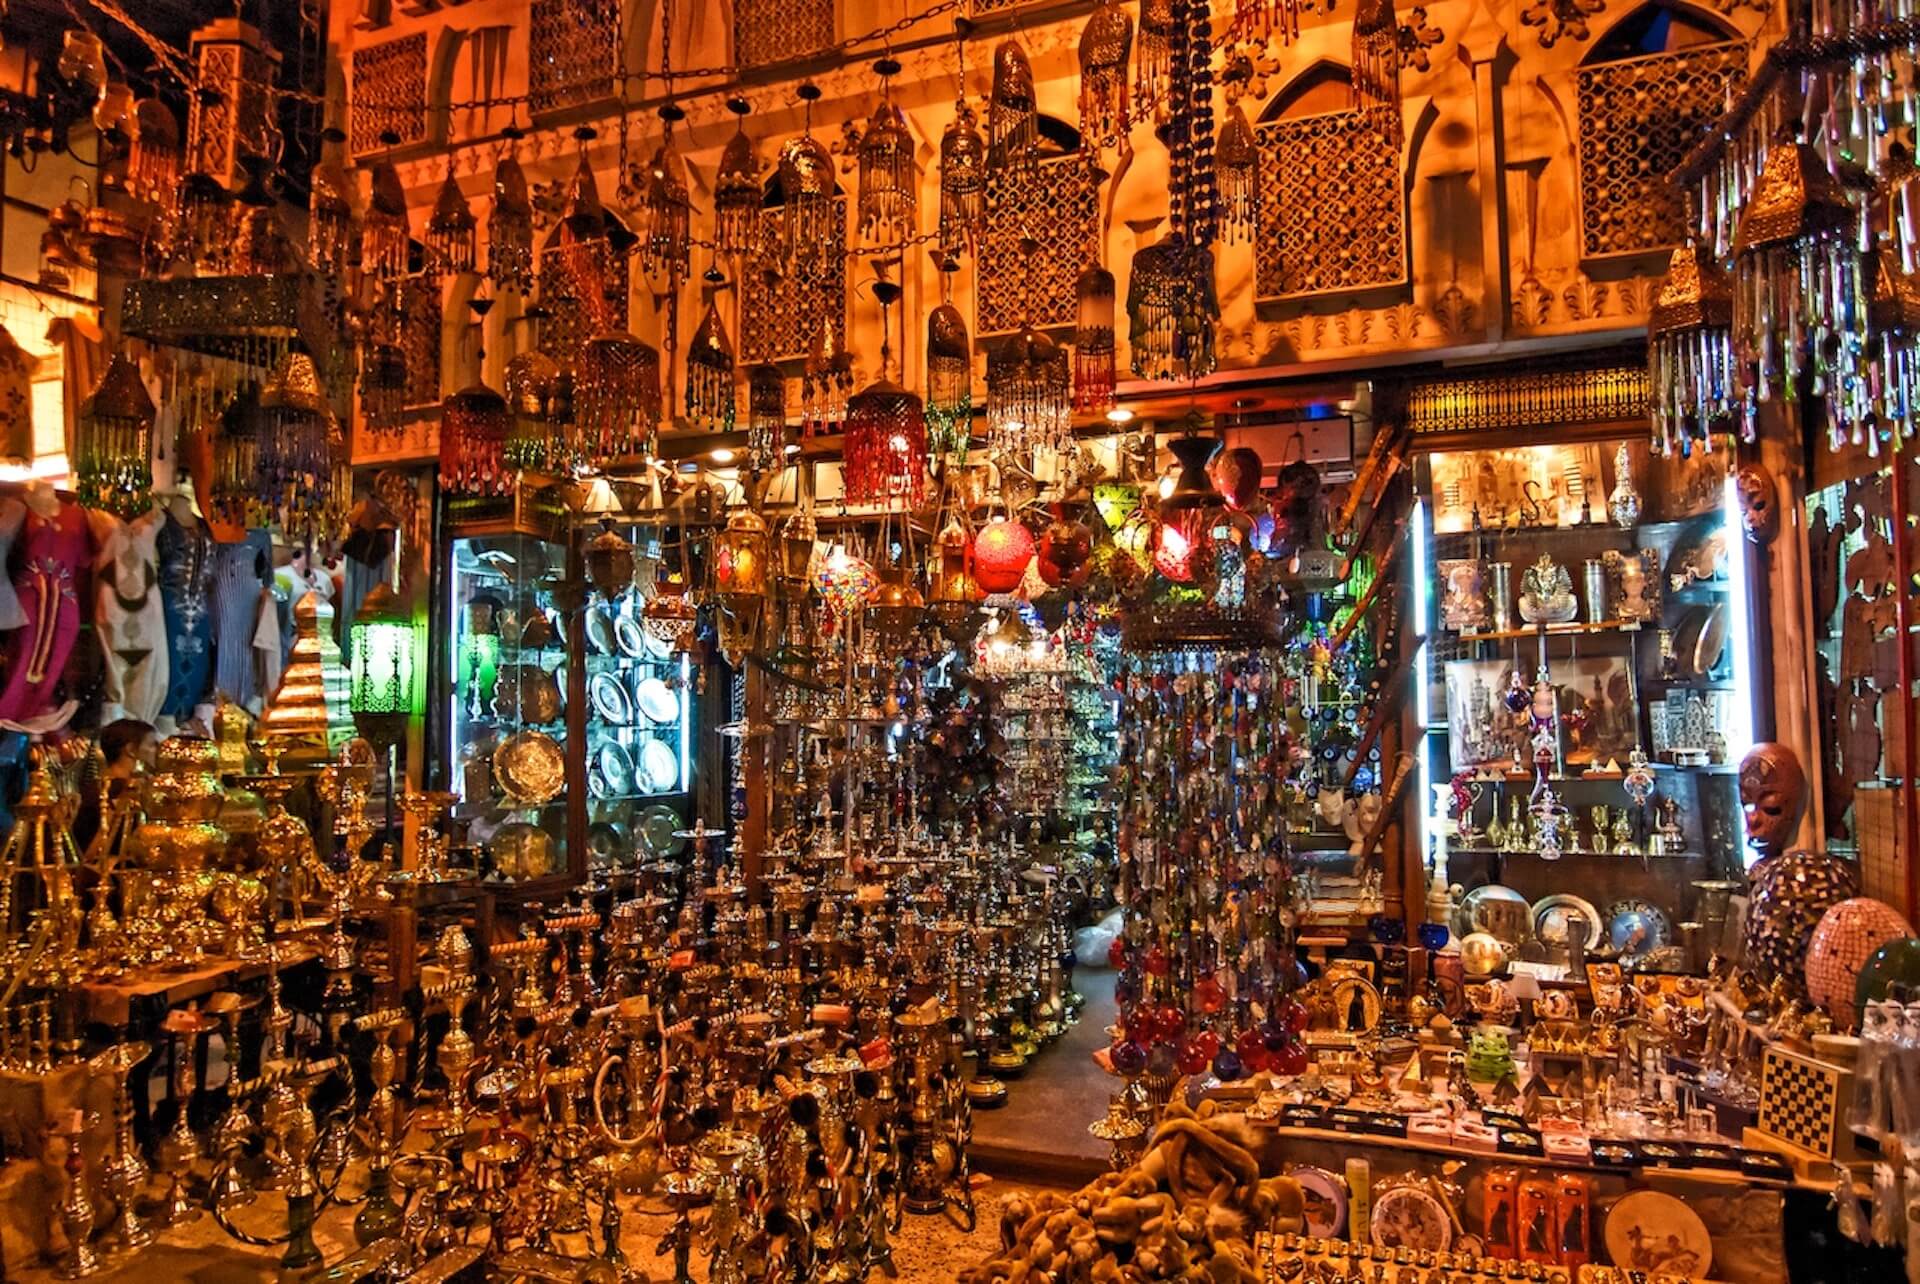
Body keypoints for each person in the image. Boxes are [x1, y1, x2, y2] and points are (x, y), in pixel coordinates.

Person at [72, 717, 156, 852]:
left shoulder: (92, 788)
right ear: (131, 750)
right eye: (152, 744)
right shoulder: (126, 792)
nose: (157, 750)